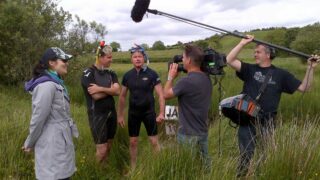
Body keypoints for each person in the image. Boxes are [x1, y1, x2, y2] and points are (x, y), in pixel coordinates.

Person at [226, 35, 320, 177]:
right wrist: (242, 43)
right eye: (255, 51)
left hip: (268, 122)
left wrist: (310, 68)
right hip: (247, 120)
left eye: (258, 52)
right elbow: (229, 60)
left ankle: (263, 176)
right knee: (246, 154)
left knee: (267, 155)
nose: (255, 54)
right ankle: (242, 176)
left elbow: (305, 88)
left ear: (268, 55)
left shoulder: (281, 75)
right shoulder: (249, 69)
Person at [23, 47, 79, 180]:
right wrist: (29, 143)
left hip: (59, 143)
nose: (67, 63)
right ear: (51, 63)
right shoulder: (46, 85)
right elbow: (38, 118)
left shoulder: (56, 83)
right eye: (64, 60)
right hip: (51, 145)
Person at [163, 44, 212, 168]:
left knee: (187, 167)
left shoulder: (186, 82)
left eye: (183, 58)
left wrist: (170, 77)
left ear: (189, 60)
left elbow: (165, 95)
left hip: (187, 133)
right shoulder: (206, 78)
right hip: (202, 130)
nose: (182, 60)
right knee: (204, 165)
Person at [117, 44, 165, 169]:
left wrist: (161, 113)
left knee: (154, 141)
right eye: (134, 57)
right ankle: (133, 168)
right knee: (133, 142)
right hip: (134, 114)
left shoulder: (152, 74)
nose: (137, 59)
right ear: (131, 59)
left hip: (149, 113)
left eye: (139, 56)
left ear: (144, 58)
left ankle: (158, 166)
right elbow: (122, 96)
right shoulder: (128, 76)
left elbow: (161, 95)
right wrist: (120, 115)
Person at [81, 42, 120, 163]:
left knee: (108, 147)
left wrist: (101, 88)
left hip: (111, 113)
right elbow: (96, 96)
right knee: (101, 150)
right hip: (97, 114)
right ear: (101, 57)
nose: (111, 60)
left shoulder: (111, 73)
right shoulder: (88, 73)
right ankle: (95, 172)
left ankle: (104, 171)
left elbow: (118, 91)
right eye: (109, 57)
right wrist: (110, 90)